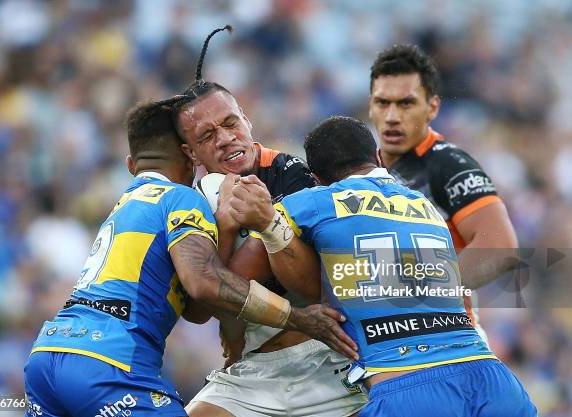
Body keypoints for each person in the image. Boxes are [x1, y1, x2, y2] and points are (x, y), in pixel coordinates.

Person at [23, 101, 357, 417]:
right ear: (189, 155)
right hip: (107, 361)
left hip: (46, 357)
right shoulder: (180, 198)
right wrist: (299, 318)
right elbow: (203, 283)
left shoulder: (124, 205)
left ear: (130, 165)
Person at [229, 115, 537, 417]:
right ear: (379, 158)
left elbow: (237, 278)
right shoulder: (426, 206)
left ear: (318, 179)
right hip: (491, 378)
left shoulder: (310, 202)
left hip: (405, 389)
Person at [161, 26, 367, 417]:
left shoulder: (293, 174)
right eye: (207, 135)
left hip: (323, 359)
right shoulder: (190, 202)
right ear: (191, 152)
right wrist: (223, 227)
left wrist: (223, 284)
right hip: (251, 373)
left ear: (247, 121)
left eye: (230, 123)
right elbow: (199, 310)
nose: (225, 138)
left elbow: (304, 284)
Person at [367, 44, 519, 292]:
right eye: (383, 103)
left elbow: (501, 248)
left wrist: (421, 297)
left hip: (438, 328)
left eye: (406, 103)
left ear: (432, 108)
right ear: (370, 106)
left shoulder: (449, 164)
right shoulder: (361, 166)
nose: (392, 116)